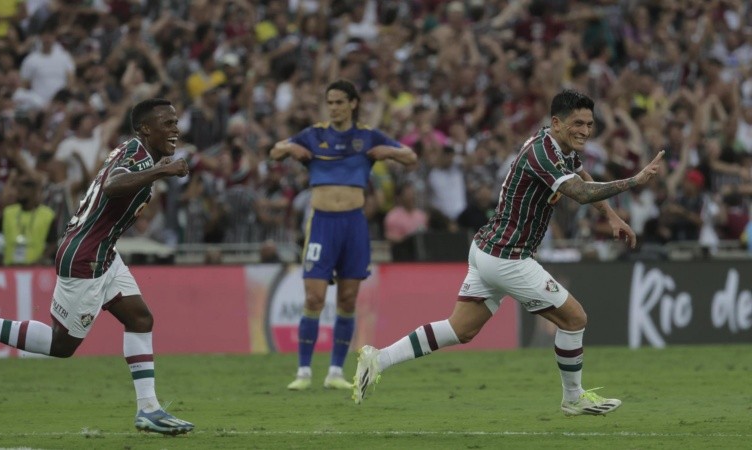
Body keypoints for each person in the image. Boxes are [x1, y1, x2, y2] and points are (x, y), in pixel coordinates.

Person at [352, 90, 666, 416]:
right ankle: (573, 398)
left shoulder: (557, 148)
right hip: (508, 256)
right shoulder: (542, 155)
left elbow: (581, 174)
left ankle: (379, 357)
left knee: (460, 329)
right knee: (574, 319)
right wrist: (635, 180)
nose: (585, 130)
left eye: (589, 124)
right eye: (578, 123)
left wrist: (612, 215)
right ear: (556, 122)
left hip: (488, 249)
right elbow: (580, 192)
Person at [0, 98, 195, 434]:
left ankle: (149, 410)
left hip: (104, 252)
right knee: (61, 345)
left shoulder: (139, 152)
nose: (175, 129)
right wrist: (161, 170)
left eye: (175, 122)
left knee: (140, 318)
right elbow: (112, 186)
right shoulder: (137, 155)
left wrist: (158, 169)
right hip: (87, 256)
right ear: (145, 128)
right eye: (167, 123)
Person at [270, 79, 416, 391]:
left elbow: (411, 157)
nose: (334, 107)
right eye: (330, 102)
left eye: (339, 102)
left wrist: (387, 151)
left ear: (353, 103)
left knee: (348, 299)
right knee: (314, 297)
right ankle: (304, 372)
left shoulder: (367, 136)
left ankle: (335, 371)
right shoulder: (314, 134)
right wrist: (287, 148)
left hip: (354, 224)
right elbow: (274, 152)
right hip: (322, 223)